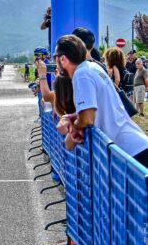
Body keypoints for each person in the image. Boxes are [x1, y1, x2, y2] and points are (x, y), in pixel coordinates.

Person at [55, 35, 148, 166]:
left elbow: (87, 118)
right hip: (133, 145)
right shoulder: (92, 67)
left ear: (63, 59)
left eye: (55, 57)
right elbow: (98, 108)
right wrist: (72, 117)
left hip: (129, 152)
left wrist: (74, 129)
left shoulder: (81, 75)